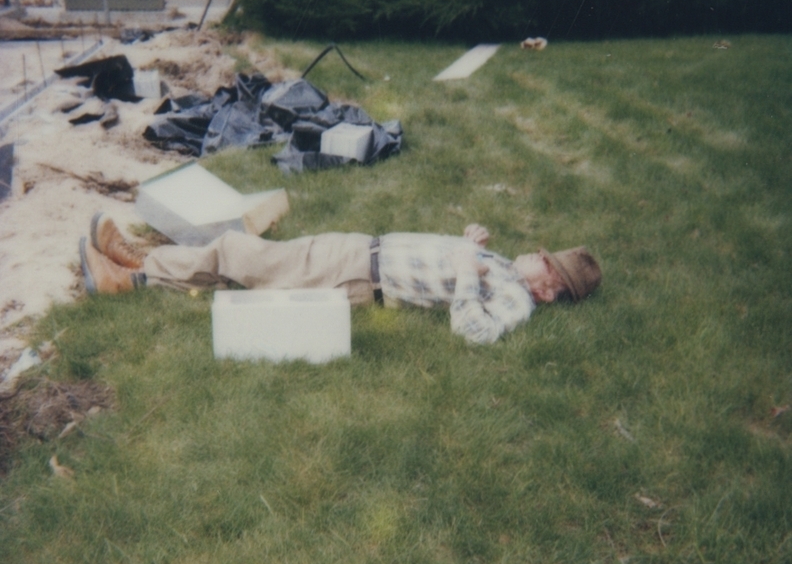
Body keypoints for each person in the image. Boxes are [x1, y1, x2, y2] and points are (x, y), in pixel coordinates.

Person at [80, 214, 601, 344]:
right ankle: (136, 274)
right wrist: (468, 243)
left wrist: (466, 272)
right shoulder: (510, 272)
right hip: (361, 252)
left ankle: (134, 270)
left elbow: (476, 332)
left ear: (550, 286)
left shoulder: (520, 302)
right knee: (252, 272)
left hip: (356, 273)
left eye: (543, 261)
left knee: (244, 253)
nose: (534, 258)